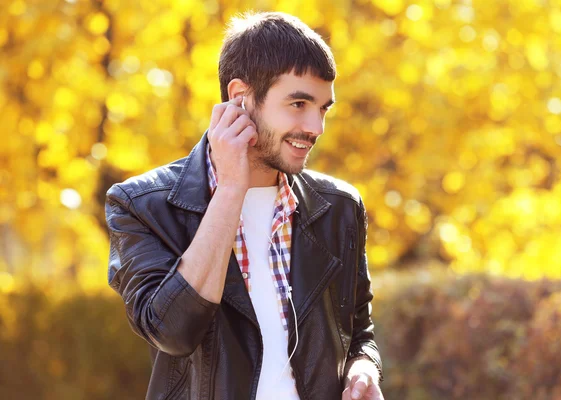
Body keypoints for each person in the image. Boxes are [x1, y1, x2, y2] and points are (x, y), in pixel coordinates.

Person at [105, 11, 383, 400]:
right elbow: (172, 332)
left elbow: (359, 331)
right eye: (299, 103)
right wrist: (231, 189)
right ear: (241, 98)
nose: (316, 128)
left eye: (323, 109)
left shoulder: (339, 207)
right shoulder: (141, 205)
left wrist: (363, 369)